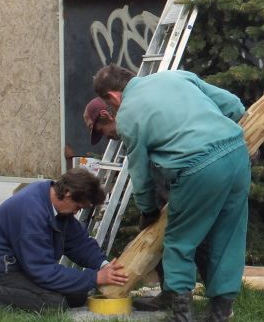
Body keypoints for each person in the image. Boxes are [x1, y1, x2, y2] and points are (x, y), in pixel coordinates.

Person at [93, 65, 249, 322]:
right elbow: (233, 106)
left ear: (113, 96)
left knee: (179, 242)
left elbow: (140, 174)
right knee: (228, 235)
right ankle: (220, 312)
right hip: (237, 154)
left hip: (197, 168)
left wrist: (148, 210)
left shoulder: (128, 115)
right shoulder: (176, 76)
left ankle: (182, 315)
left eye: (110, 104)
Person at [82, 96, 211, 312]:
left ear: (106, 115)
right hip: (164, 183)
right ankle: (170, 294)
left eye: (101, 130)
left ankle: (216, 299)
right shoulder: (131, 128)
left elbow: (141, 170)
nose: (106, 136)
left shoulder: (138, 122)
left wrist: (149, 208)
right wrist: (151, 208)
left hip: (186, 177)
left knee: (195, 239)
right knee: (159, 236)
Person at [0, 168, 127, 311]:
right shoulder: (31, 211)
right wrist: (95, 277)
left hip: (21, 265)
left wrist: (103, 265)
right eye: (78, 207)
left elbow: (79, 243)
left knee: (77, 295)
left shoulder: (54, 201)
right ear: (68, 193)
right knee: (53, 304)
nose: (76, 212)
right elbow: (43, 271)